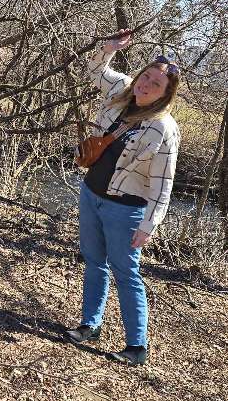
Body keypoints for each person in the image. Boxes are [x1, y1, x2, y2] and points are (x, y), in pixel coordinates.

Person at [66, 29, 181, 366]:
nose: (145, 85)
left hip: (126, 210)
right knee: (93, 261)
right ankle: (90, 325)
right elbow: (95, 71)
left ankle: (137, 345)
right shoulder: (122, 90)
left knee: (126, 272)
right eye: (145, 77)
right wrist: (109, 49)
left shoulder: (164, 128)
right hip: (91, 193)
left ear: (165, 94)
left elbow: (163, 183)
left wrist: (149, 225)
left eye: (154, 85)